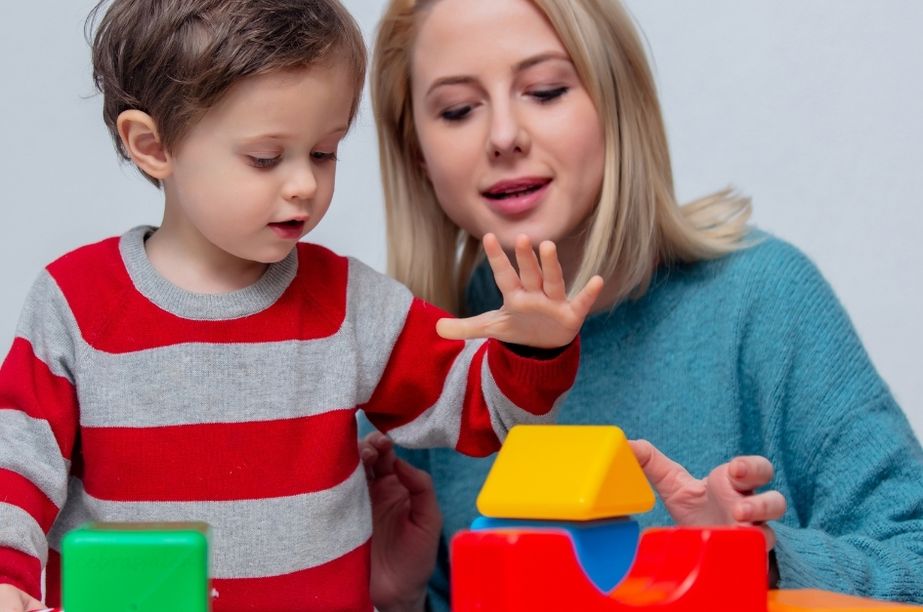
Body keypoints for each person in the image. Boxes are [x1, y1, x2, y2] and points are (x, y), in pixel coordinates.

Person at [0, 1, 605, 610]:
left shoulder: (349, 305)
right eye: (266, 158)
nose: (304, 186)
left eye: (324, 152)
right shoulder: (75, 305)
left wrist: (532, 348)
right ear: (153, 145)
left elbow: (480, 413)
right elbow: (14, 470)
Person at [359, 0, 923, 610]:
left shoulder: (763, 300)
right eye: (459, 110)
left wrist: (758, 560)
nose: (503, 137)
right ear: (419, 152)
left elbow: (912, 556)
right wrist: (400, 597)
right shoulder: (419, 356)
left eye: (545, 91)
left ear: (616, 102)